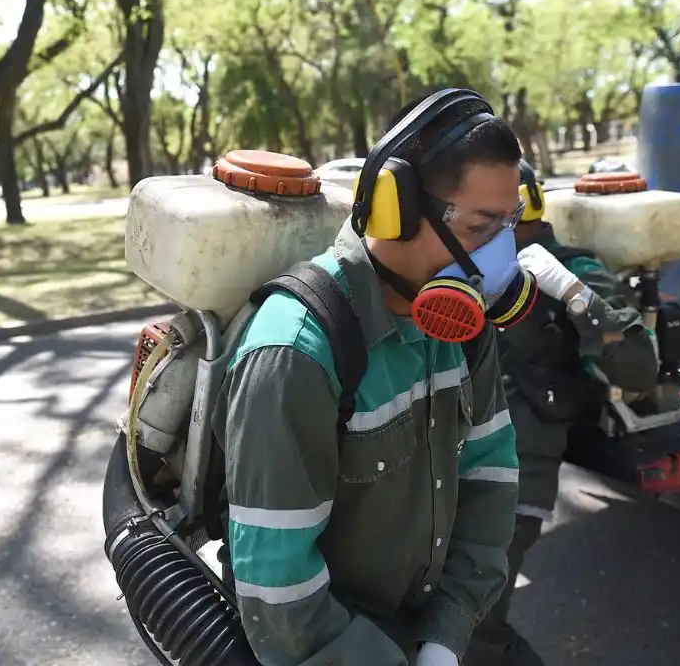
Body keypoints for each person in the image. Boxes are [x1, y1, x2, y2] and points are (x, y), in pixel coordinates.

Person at [210, 88, 527, 666]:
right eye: (482, 227)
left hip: (429, 625)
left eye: (509, 224)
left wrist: (447, 635)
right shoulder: (298, 352)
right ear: (396, 210)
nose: (499, 255)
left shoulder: (463, 325)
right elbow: (280, 592)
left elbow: (491, 474)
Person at [461, 180, 660, 666]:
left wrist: (573, 293)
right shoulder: (468, 266)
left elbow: (639, 368)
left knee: (474, 628)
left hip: (516, 472)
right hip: (455, 459)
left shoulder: (569, 267)